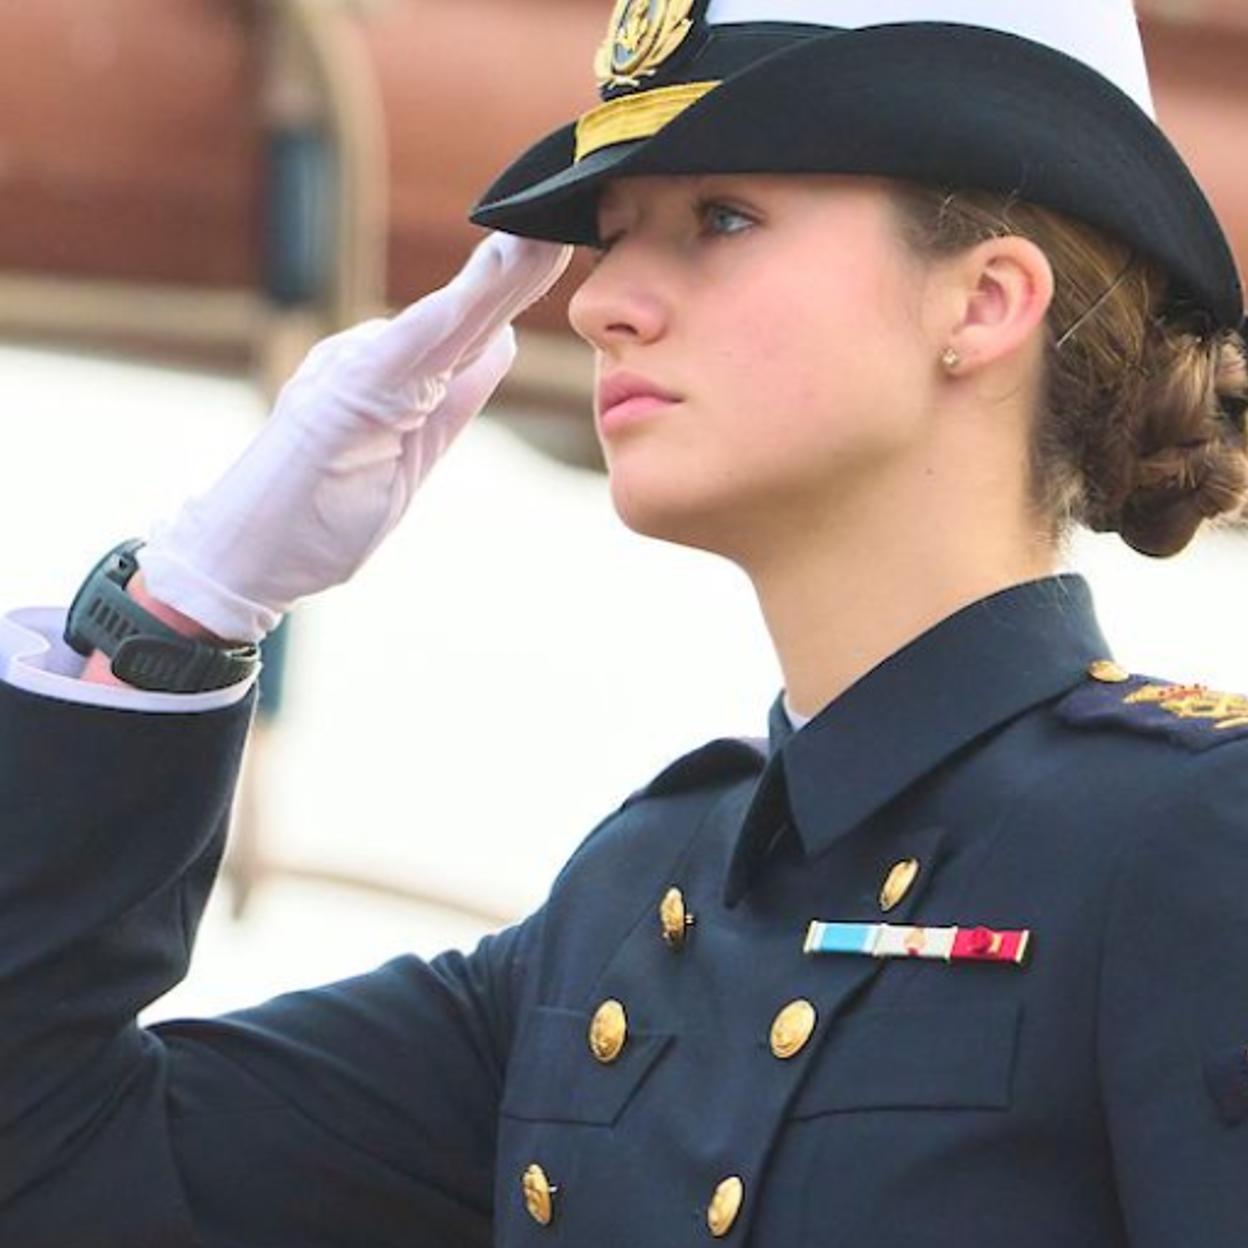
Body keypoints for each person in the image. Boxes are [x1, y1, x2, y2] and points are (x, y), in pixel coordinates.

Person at [2, 0, 1247, 1243]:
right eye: (610, 239)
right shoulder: (629, 917)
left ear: (983, 303)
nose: (602, 305)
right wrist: (185, 607)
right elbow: (50, 1162)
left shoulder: (1191, 840)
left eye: (722, 219)